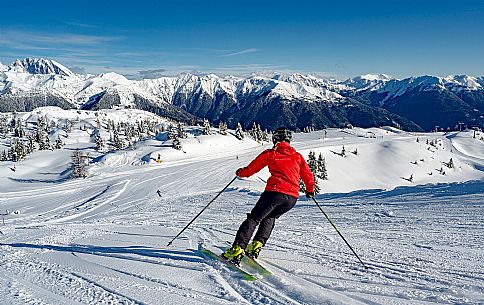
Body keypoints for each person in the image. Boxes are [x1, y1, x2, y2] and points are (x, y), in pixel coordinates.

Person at [223, 127, 315, 265]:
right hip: (291, 199)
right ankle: (256, 246)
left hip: (274, 193)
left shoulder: (271, 153)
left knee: (254, 219)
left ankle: (237, 249)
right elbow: (308, 175)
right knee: (270, 217)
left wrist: (240, 172)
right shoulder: (297, 156)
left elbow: (251, 169)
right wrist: (310, 190)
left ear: (275, 139)